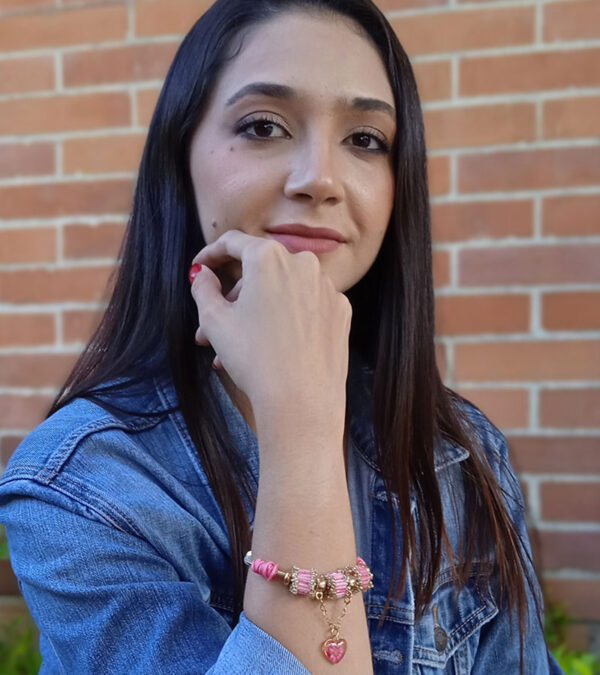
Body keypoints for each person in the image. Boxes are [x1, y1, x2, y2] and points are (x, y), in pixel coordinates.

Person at [0, 0, 563, 672]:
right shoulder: (83, 484)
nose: (319, 179)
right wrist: (299, 421)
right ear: (181, 159)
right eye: (263, 125)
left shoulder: (461, 455)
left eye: (365, 139)